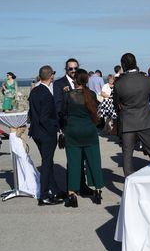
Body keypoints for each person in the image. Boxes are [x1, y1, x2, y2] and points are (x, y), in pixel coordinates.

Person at [62, 69, 104, 207]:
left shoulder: (68, 95)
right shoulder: (91, 94)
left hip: (73, 131)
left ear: (75, 80)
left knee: (74, 163)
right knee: (94, 160)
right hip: (89, 130)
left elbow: (62, 113)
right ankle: (98, 190)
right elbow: (96, 111)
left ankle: (72, 193)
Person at [53, 58, 94, 197]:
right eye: (70, 69)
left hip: (83, 127)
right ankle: (72, 188)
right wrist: (62, 127)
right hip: (68, 126)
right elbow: (58, 106)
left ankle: (82, 186)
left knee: (82, 158)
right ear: (66, 69)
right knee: (72, 160)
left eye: (75, 68)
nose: (73, 71)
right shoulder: (59, 84)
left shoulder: (82, 84)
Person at [113, 53, 150, 177]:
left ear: (123, 65)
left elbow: (116, 105)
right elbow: (149, 98)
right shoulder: (146, 79)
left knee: (127, 155)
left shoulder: (119, 83)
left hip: (127, 122)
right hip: (145, 119)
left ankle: (129, 182)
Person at [28, 65, 65, 206]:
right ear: (51, 76)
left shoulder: (35, 91)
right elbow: (45, 117)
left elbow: (31, 113)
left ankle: (55, 190)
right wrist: (55, 127)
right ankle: (43, 196)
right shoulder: (47, 94)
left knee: (47, 162)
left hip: (36, 132)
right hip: (46, 134)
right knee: (46, 164)